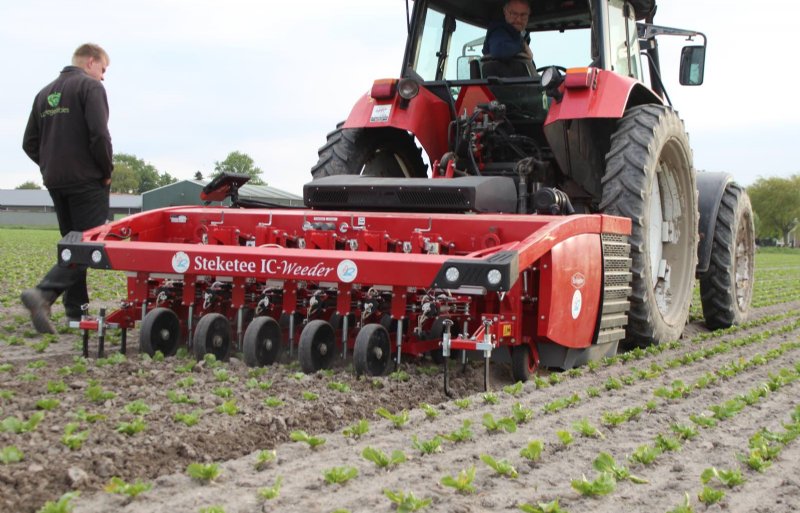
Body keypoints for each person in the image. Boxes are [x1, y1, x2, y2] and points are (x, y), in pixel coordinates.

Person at [21, 43, 113, 334]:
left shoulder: (44, 93)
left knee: (74, 244)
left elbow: (29, 143)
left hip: (56, 181)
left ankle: (75, 311)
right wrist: (105, 170)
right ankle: (44, 294)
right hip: (87, 180)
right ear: (90, 61)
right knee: (88, 244)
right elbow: (99, 134)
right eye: (103, 69)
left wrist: (49, 165)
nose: (103, 77)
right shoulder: (90, 88)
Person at [482, 0, 536, 77]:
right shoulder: (499, 30)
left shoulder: (518, 34)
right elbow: (499, 50)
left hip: (520, 85)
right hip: (504, 86)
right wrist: (523, 45)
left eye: (523, 15)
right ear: (505, 12)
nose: (519, 20)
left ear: (529, 14)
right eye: (514, 14)